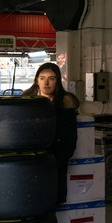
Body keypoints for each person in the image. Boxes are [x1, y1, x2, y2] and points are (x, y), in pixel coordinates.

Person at [22, 62, 79, 204]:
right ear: (36, 80)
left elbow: (69, 140)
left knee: (49, 212)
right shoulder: (25, 103)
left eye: (51, 78)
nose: (46, 83)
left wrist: (54, 163)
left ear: (57, 81)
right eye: (42, 78)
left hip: (53, 167)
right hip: (27, 166)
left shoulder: (65, 106)